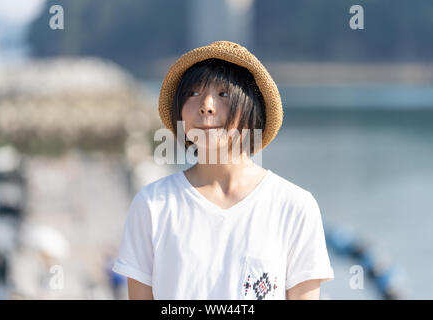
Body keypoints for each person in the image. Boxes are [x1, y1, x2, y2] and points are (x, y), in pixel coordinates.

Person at [112, 41, 334, 300]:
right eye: (192, 94)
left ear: (252, 110)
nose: (206, 105)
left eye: (223, 94)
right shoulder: (153, 205)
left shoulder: (294, 206)